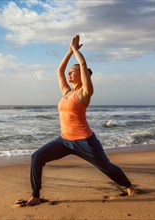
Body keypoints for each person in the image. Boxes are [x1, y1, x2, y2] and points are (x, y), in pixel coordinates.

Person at [26, 35, 135, 206]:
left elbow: (83, 65)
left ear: (82, 76)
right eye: (70, 71)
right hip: (64, 141)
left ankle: (128, 185)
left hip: (85, 141)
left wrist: (76, 50)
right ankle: (35, 195)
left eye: (73, 71)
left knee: (106, 167)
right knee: (36, 157)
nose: (69, 73)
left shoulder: (84, 93)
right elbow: (59, 71)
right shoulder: (66, 92)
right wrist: (69, 50)